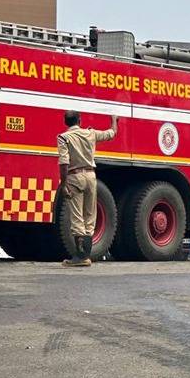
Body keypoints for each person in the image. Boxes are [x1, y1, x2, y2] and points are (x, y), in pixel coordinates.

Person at [57, 110, 118, 266]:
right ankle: (86, 255)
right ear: (80, 120)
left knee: (77, 216)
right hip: (91, 176)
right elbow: (111, 134)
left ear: (66, 122)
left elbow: (64, 163)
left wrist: (63, 184)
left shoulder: (63, 137)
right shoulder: (90, 134)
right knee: (90, 215)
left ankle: (81, 257)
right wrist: (114, 120)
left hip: (74, 176)